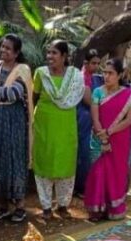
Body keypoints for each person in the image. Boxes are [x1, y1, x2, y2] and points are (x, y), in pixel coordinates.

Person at [0, 34, 32, 224]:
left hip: (14, 122)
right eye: (2, 47)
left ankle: (19, 206)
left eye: (8, 48)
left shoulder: (23, 70)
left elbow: (14, 93)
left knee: (14, 159)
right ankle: (3, 206)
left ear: (16, 53)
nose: (3, 50)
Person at [32, 40, 85, 220]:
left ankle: (63, 205)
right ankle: (46, 207)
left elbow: (84, 96)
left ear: (64, 56)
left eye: (54, 53)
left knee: (65, 164)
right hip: (44, 125)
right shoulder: (41, 74)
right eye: (48, 53)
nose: (49, 57)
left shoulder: (75, 76)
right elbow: (34, 97)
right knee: (44, 162)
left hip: (66, 125)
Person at [84, 59, 131, 221]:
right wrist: (102, 136)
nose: (106, 76)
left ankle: (113, 209)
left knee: (115, 173)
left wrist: (109, 132)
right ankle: (96, 210)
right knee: (97, 172)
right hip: (98, 139)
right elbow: (95, 117)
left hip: (118, 140)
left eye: (111, 73)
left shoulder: (129, 95)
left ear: (120, 75)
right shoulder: (97, 92)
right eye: (104, 72)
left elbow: (129, 120)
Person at [74, 49, 103, 197]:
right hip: (84, 117)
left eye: (98, 63)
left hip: (95, 117)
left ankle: (90, 184)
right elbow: (88, 100)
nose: (96, 66)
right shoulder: (81, 77)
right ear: (86, 63)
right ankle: (80, 187)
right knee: (83, 153)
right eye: (93, 63)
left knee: (93, 152)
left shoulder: (97, 78)